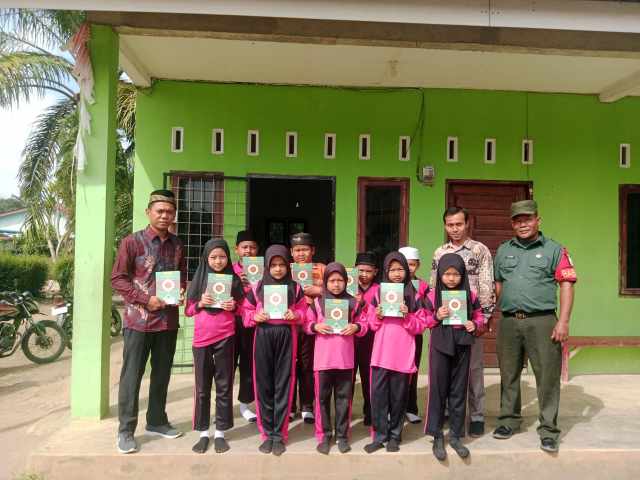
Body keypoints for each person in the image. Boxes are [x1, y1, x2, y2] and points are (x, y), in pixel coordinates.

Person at [492, 200, 576, 453]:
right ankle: (508, 420)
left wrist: (563, 321)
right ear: (512, 224)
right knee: (508, 373)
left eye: (527, 219)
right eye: (517, 220)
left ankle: (548, 430)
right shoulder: (503, 250)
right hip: (509, 321)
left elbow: (567, 284)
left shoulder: (554, 250)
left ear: (538, 219)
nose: (523, 224)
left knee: (547, 376)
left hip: (543, 321)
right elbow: (498, 284)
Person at [111, 189, 186, 454]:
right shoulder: (131, 242)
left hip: (167, 321)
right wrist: (145, 299)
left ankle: (156, 421)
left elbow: (181, 274)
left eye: (169, 212)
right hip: (138, 322)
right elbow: (118, 278)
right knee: (132, 376)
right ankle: (125, 431)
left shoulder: (178, 244)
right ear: (148, 212)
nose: (165, 216)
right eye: (160, 211)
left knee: (162, 374)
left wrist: (181, 290)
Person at [430, 206, 495, 437]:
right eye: (450, 225)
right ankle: (450, 412)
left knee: (474, 369)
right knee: (447, 369)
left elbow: (487, 284)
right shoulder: (439, 253)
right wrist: (435, 315)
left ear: (467, 223)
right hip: (446, 321)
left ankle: (476, 415)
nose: (455, 229)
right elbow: (433, 286)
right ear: (445, 226)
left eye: (459, 224)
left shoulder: (479, 250)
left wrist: (483, 319)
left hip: (470, 322)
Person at [242, 245, 308, 456]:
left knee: (284, 384)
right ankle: (266, 434)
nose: (278, 269)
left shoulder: (295, 288)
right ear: (267, 266)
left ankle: (279, 434)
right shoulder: (257, 287)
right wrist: (255, 317)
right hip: (263, 336)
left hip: (287, 336)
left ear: (288, 266)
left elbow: (305, 313)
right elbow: (245, 312)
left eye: (282, 264)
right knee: (263, 384)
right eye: (273, 265)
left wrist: (296, 315)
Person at [185, 239, 245, 454]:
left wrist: (234, 306)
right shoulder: (199, 280)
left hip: (226, 337)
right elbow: (188, 310)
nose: (218, 261)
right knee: (202, 388)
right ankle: (203, 433)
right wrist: (201, 303)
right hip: (202, 340)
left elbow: (244, 309)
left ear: (228, 257)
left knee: (224, 385)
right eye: (213, 257)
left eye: (222, 257)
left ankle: (220, 432)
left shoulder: (234, 280)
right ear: (206, 258)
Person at [364, 252, 427, 454]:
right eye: (392, 270)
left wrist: (407, 316)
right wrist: (378, 315)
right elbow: (371, 324)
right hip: (381, 355)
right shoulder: (378, 293)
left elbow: (421, 325)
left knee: (399, 398)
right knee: (378, 398)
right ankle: (379, 436)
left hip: (402, 355)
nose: (397, 273)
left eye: (400, 269)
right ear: (386, 271)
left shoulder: (414, 295)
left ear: (407, 270)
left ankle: (395, 436)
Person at [424, 253, 484, 460]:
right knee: (438, 390)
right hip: (440, 345)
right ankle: (437, 434)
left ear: (463, 275)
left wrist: (474, 324)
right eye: (447, 274)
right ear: (440, 274)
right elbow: (424, 319)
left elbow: (479, 316)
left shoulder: (470, 295)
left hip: (463, 344)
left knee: (459, 390)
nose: (451, 278)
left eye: (456, 274)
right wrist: (436, 316)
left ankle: (456, 436)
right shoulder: (432, 296)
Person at [304, 262, 369, 455]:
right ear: (325, 282)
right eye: (332, 280)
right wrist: (315, 326)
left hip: (345, 361)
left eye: (340, 280)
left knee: (343, 399)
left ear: (346, 281)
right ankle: (324, 435)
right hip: (323, 361)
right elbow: (306, 323)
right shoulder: (317, 302)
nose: (336, 284)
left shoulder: (354, 303)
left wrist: (356, 327)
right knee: (322, 399)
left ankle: (342, 435)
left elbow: (365, 324)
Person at [290, 232, 326, 424]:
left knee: (307, 364)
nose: (301, 254)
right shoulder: (285, 268)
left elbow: (339, 289)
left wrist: (318, 289)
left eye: (305, 249)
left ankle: (307, 406)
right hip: (290, 324)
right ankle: (289, 406)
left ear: (313, 250)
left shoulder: (322, 269)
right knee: (289, 365)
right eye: (297, 250)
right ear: (291, 252)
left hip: (313, 325)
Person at [398, 246, 429, 424]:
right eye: (405, 264)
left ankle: (411, 408)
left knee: (412, 370)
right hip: (395, 334)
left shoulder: (423, 286)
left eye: (412, 264)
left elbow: (428, 308)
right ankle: (394, 409)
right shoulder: (389, 285)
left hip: (414, 332)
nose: (408, 268)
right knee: (394, 373)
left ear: (418, 265)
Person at [232, 230, 259, 423]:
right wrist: (236, 283)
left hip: (252, 322)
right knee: (227, 366)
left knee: (249, 364)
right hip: (230, 323)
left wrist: (257, 283)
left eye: (252, 247)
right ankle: (222, 406)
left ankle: (245, 404)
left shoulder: (263, 270)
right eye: (244, 247)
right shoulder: (228, 269)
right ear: (237, 249)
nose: (248, 251)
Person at [352, 251, 379, 426]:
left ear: (375, 272)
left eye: (368, 271)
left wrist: (364, 304)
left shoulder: (380, 290)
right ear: (354, 269)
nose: (364, 274)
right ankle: (345, 413)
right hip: (349, 339)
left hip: (371, 340)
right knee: (347, 379)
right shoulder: (346, 287)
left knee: (369, 378)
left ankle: (370, 412)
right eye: (360, 270)